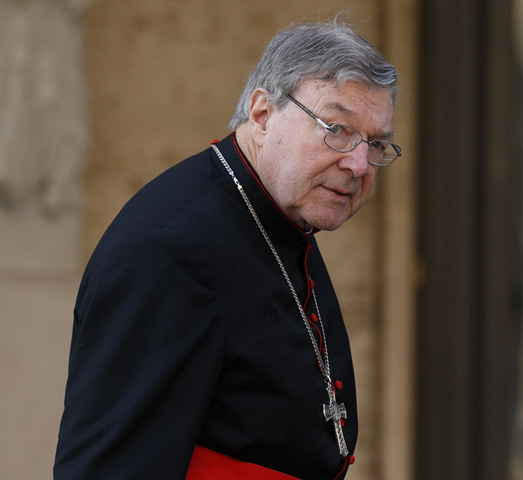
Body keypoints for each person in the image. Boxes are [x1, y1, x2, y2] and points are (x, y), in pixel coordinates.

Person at [54, 18, 400, 480]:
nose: (358, 164)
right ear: (261, 115)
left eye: (375, 143)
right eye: (336, 128)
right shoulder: (170, 251)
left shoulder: (285, 214)